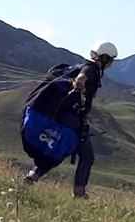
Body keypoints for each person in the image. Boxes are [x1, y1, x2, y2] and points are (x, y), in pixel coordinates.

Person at [24, 40, 118, 198]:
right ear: (104, 58)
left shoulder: (82, 65)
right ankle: (79, 192)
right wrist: (80, 84)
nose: (110, 64)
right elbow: (82, 78)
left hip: (63, 117)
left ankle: (34, 175)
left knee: (59, 150)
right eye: (110, 60)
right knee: (87, 156)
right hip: (71, 121)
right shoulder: (91, 69)